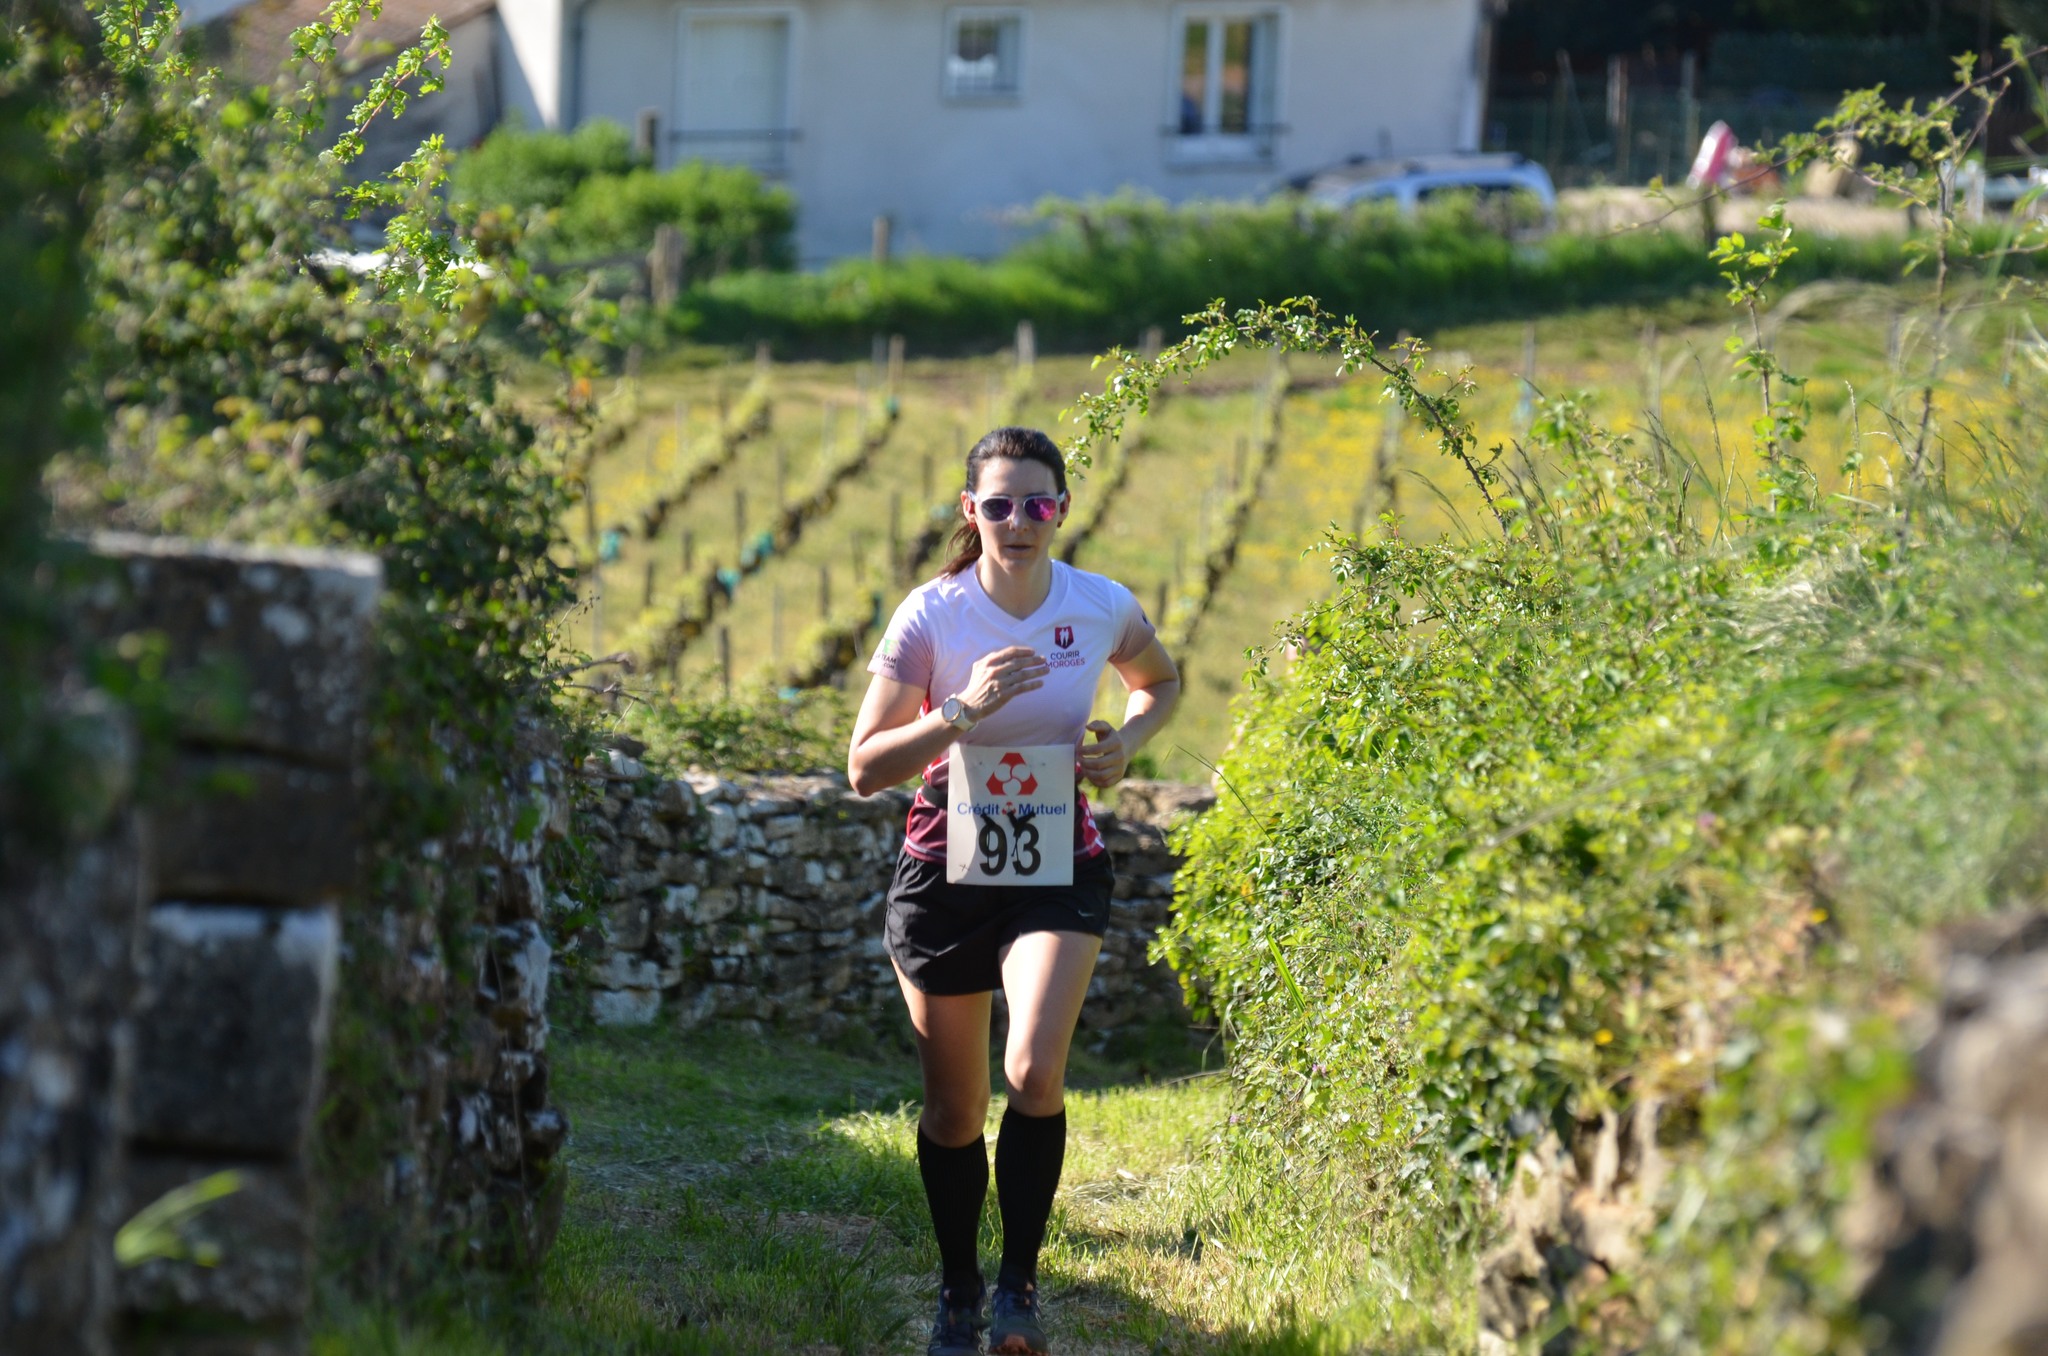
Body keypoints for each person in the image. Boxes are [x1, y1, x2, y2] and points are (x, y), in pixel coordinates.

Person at [847, 427, 1181, 1356]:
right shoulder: (933, 615)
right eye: (999, 504)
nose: (1020, 520)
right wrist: (959, 713)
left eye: (1039, 503)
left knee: (1033, 1072)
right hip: (942, 868)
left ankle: (1017, 1290)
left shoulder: (1099, 604)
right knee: (954, 1110)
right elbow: (863, 768)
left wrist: (1125, 743)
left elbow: (1159, 681)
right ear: (971, 513)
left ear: (1063, 509)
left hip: (1057, 862)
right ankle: (958, 1291)